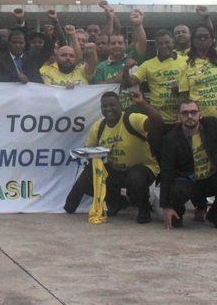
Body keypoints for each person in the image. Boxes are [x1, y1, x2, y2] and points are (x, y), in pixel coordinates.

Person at [64, 90, 161, 223]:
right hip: (117, 170)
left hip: (143, 168)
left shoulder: (131, 119)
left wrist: (143, 104)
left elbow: (157, 123)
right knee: (91, 172)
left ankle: (143, 208)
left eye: (112, 105)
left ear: (120, 105)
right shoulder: (98, 127)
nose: (108, 109)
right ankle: (117, 201)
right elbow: (89, 153)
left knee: (135, 178)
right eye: (104, 106)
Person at [159, 99, 217, 230]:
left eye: (193, 112)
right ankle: (178, 214)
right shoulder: (171, 139)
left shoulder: (211, 125)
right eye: (185, 113)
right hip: (188, 181)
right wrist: (166, 206)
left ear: (200, 115)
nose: (189, 116)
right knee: (177, 192)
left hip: (210, 178)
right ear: (179, 117)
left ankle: (216, 216)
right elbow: (166, 172)